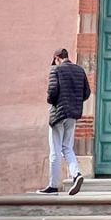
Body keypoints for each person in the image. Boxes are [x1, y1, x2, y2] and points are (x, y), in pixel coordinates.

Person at [42, 48, 89, 195]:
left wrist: (51, 101)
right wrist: (74, 102)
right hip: (72, 115)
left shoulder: (56, 70)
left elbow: (52, 92)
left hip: (58, 114)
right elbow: (86, 93)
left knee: (55, 150)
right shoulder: (79, 71)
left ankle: (53, 185)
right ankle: (76, 174)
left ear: (57, 58)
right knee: (67, 147)